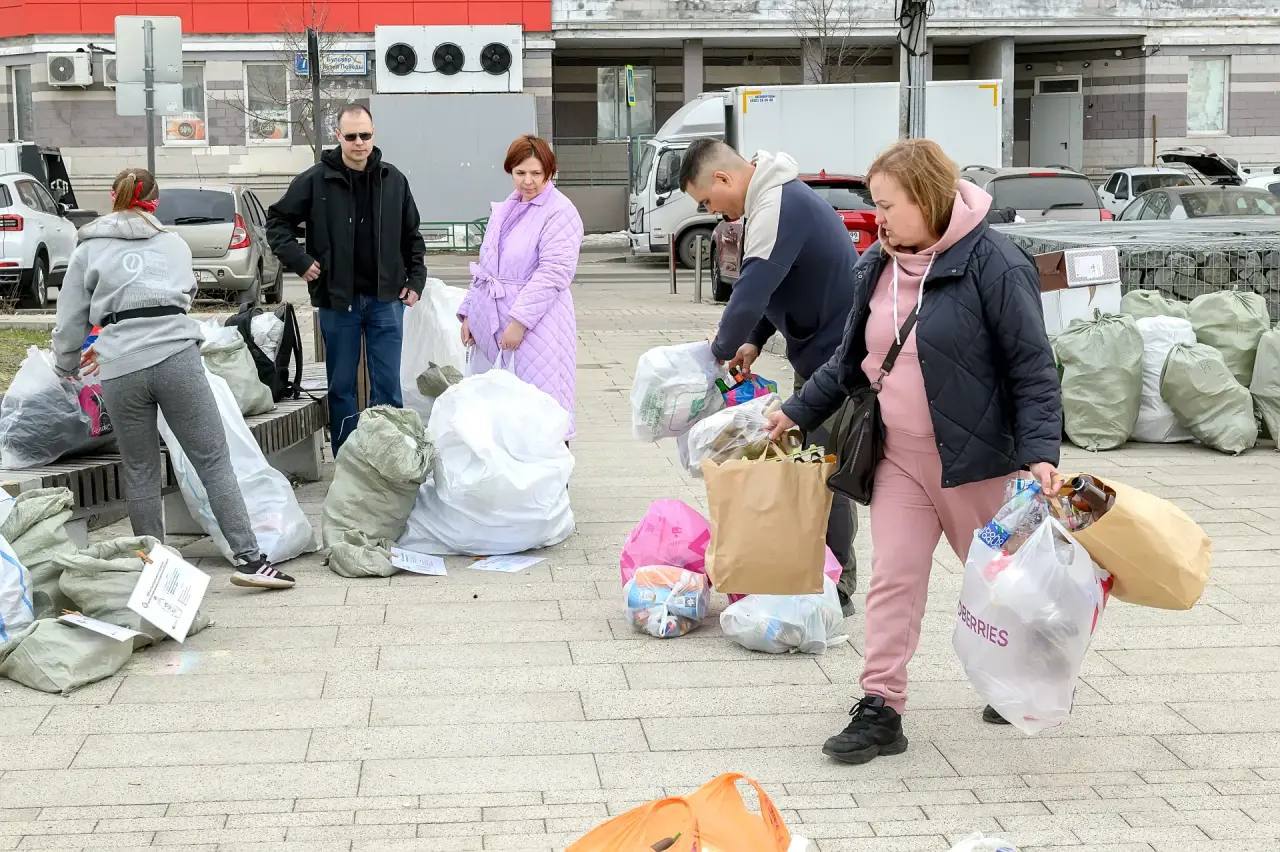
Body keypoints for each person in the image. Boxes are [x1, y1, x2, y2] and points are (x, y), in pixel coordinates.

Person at [768, 139, 1063, 765]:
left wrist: (1041, 452)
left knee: (1002, 582)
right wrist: (794, 413)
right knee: (893, 579)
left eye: (887, 205)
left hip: (977, 461)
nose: (878, 219)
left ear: (927, 198)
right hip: (898, 457)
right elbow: (850, 361)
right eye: (875, 205)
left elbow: (1032, 368)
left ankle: (1021, 670)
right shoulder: (876, 264)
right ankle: (882, 706)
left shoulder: (995, 262)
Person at [50, 168, 294, 590]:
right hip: (177, 358)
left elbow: (71, 317)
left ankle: (155, 566)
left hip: (121, 366)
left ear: (112, 197)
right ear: (155, 201)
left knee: (140, 468)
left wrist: (66, 364)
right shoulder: (175, 243)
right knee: (213, 460)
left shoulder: (87, 249)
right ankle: (251, 560)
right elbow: (185, 294)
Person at [678, 138, 860, 612]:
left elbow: (752, 291)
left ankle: (835, 588)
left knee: (822, 473)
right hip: (818, 355)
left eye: (707, 201)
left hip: (836, 361)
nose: (712, 212)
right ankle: (811, 572)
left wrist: (714, 354)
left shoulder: (778, 204)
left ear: (723, 178)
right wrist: (754, 340)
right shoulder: (771, 198)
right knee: (811, 465)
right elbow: (774, 284)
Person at [266, 103, 427, 455]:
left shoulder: (393, 180)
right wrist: (300, 260)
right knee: (341, 387)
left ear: (374, 134)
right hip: (338, 301)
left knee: (388, 387)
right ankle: (347, 459)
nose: (358, 143)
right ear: (338, 135)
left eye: (364, 135)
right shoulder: (315, 180)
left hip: (386, 300)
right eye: (351, 136)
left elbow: (412, 236)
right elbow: (277, 222)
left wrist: (416, 280)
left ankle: (388, 458)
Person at [458, 134, 585, 439]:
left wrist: (519, 322)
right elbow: (486, 266)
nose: (528, 181)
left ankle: (553, 470)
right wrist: (469, 313)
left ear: (549, 172)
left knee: (542, 408)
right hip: (495, 320)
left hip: (540, 325)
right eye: (520, 173)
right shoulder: (507, 208)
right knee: (504, 413)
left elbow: (554, 273)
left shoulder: (560, 211)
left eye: (536, 173)